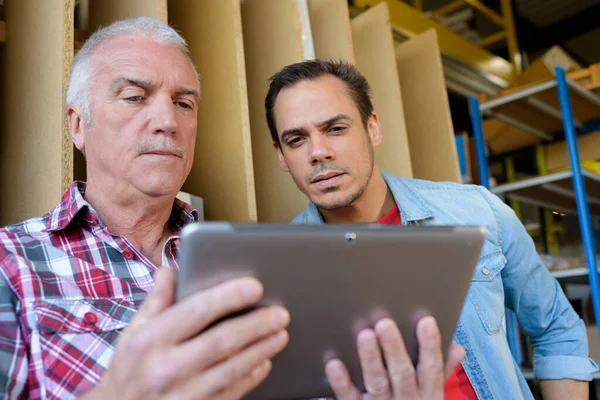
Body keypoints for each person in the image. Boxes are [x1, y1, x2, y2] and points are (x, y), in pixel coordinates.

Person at [0, 17, 458, 400]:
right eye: (135, 97)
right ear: (78, 125)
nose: (167, 121)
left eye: (184, 103)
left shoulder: (251, 264)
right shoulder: (11, 263)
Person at [265, 59, 600, 399]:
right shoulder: (277, 274)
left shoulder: (475, 212)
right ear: (281, 155)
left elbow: (556, 327)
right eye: (296, 140)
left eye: (335, 129)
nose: (318, 152)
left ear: (373, 128)